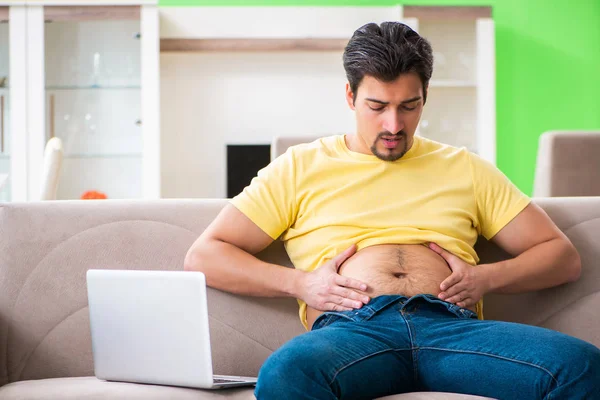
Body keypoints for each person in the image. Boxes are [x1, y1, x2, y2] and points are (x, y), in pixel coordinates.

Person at [184, 21, 600, 399]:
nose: (394, 126)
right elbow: (206, 254)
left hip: (452, 328)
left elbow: (561, 257)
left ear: (425, 97)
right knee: (286, 376)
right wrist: (302, 285)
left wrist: (485, 278)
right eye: (377, 106)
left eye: (409, 106)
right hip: (352, 334)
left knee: (582, 367)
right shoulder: (299, 166)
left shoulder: (465, 167)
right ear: (350, 95)